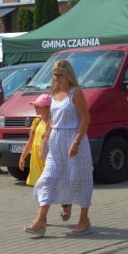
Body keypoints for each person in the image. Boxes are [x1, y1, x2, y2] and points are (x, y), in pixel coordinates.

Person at [24, 60, 93, 237]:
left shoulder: (75, 93)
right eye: (55, 74)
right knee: (47, 178)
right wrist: (46, 142)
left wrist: (77, 142)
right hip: (56, 140)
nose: (57, 78)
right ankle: (40, 221)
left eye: (60, 74)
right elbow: (52, 120)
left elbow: (85, 119)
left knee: (79, 178)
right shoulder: (55, 93)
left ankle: (83, 219)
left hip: (73, 138)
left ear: (68, 75)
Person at [20, 93, 51, 186]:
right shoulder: (36, 121)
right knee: (39, 186)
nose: (35, 108)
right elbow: (31, 141)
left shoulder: (52, 123)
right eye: (35, 106)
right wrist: (23, 157)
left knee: (47, 186)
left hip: (46, 158)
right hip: (36, 159)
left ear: (47, 108)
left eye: (38, 106)